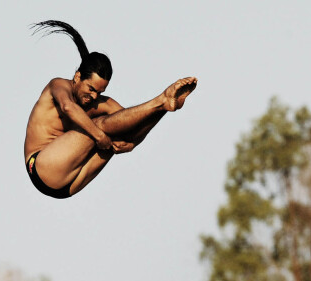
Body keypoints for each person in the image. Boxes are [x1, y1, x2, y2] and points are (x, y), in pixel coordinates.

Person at [24, 20, 197, 199]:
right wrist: (99, 136)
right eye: (91, 89)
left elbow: (133, 128)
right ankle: (160, 101)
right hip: (41, 166)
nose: (93, 97)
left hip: (68, 186)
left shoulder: (100, 102)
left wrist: (134, 143)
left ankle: (164, 105)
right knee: (97, 127)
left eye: (99, 92)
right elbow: (68, 107)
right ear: (77, 77)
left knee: (118, 132)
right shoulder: (58, 85)